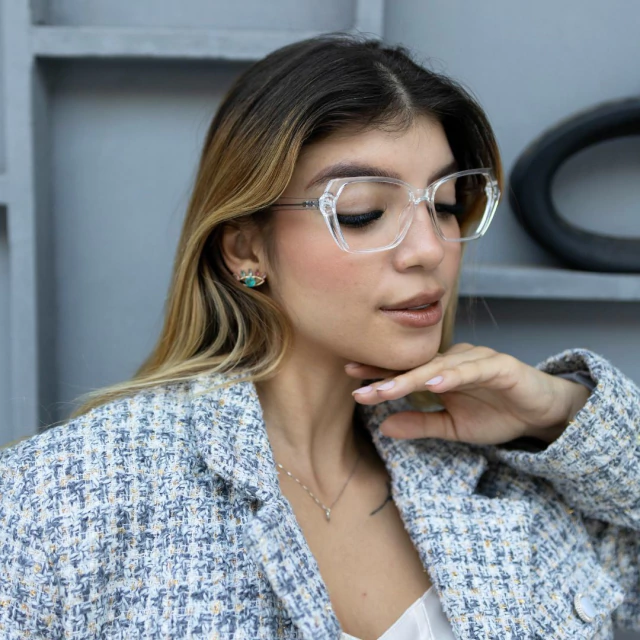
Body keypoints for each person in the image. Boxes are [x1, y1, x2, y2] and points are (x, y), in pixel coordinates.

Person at [0, 34, 638, 640]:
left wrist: (561, 412)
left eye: (445, 205)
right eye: (363, 212)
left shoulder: (512, 477)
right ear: (247, 250)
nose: (429, 248)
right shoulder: (64, 499)